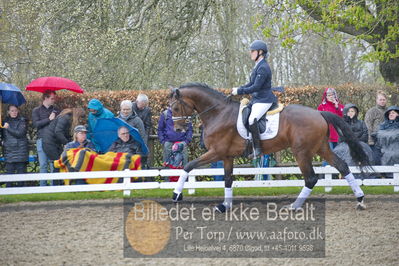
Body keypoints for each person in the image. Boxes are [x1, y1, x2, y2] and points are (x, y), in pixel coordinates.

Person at [231, 40, 277, 157]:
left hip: (264, 99)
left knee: (252, 119)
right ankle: (249, 142)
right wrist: (239, 88)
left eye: (253, 51)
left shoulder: (263, 67)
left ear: (260, 52)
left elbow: (256, 87)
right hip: (257, 99)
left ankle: (257, 148)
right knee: (244, 113)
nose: (250, 53)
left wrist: (240, 91)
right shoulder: (258, 66)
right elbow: (251, 83)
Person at [42, 107, 85, 185]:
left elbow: (65, 134)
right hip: (49, 142)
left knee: (61, 162)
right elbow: (58, 132)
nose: (80, 120)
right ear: (77, 115)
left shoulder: (68, 118)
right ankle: (56, 186)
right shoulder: (65, 117)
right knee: (58, 163)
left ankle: (59, 184)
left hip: (55, 143)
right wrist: (67, 143)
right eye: (80, 118)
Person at [333, 103, 374, 178]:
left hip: (360, 143)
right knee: (347, 152)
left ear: (356, 112)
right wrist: (351, 141)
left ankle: (366, 175)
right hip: (345, 144)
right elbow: (341, 136)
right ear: (345, 113)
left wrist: (356, 141)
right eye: (348, 111)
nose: (350, 113)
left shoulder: (361, 123)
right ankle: (347, 175)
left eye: (352, 111)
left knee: (367, 151)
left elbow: (365, 134)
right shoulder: (342, 123)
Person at [31, 90, 60, 186]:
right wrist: (49, 119)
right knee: (43, 165)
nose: (53, 100)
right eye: (52, 98)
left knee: (53, 164)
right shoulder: (36, 110)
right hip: (42, 140)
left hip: (53, 141)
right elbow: (36, 124)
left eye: (54, 98)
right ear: (45, 98)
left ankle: (53, 187)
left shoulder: (56, 110)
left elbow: (59, 125)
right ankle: (42, 188)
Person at [1, 105, 29, 187]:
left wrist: (8, 128)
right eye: (12, 111)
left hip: (20, 151)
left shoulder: (22, 121)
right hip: (9, 152)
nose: (14, 112)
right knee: (9, 176)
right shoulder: (4, 121)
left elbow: (20, 134)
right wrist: (2, 142)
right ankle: (9, 194)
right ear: (8, 112)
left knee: (21, 177)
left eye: (16, 110)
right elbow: (2, 136)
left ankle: (21, 194)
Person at [374, 106, 399, 175]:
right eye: (389, 113)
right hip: (384, 148)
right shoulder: (382, 125)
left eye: (393, 113)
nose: (391, 114)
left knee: (394, 154)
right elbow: (378, 136)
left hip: (396, 148)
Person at [364, 90, 388, 164]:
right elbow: (368, 126)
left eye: (384, 99)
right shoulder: (372, 111)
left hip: (387, 139)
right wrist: (370, 140)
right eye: (380, 99)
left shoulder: (389, 111)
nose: (382, 101)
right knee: (376, 159)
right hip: (375, 140)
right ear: (377, 100)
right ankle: (379, 175)